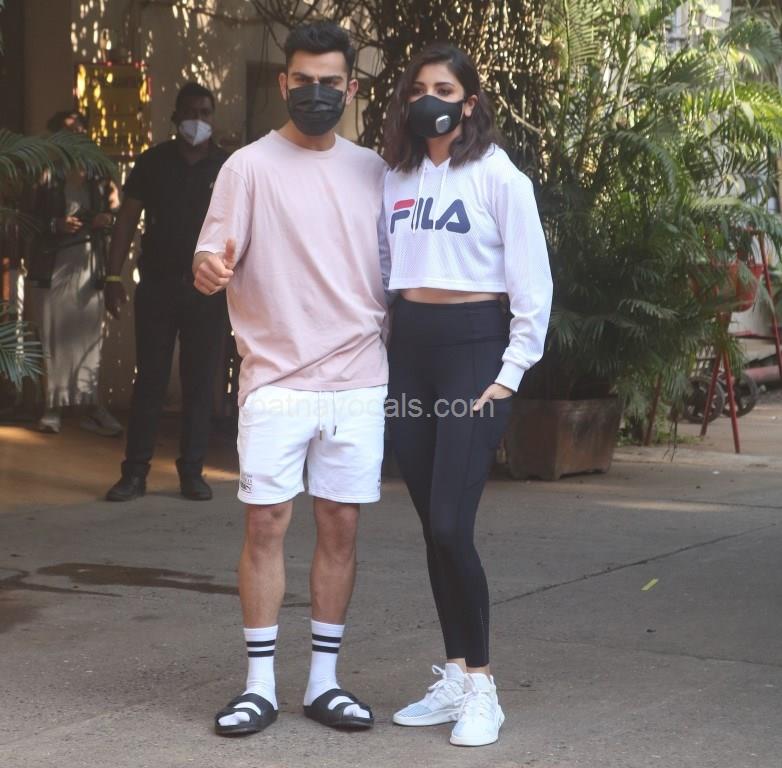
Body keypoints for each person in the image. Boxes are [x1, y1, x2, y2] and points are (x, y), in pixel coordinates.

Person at [192, 22, 388, 735]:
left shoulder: (375, 170)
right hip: (275, 379)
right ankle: (259, 687)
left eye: (330, 82)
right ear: (283, 83)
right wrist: (209, 268)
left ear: (351, 88)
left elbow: (397, 268)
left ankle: (324, 683)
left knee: (340, 525)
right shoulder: (246, 167)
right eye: (302, 80)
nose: (315, 93)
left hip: (358, 378)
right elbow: (209, 254)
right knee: (266, 523)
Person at [382, 43, 553, 747]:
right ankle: (454, 674)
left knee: (452, 524)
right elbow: (383, 267)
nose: (431, 99)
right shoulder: (394, 176)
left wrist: (510, 372)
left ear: (469, 102)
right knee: (433, 525)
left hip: (473, 352)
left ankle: (482, 686)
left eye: (445, 89)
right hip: (409, 353)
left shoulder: (498, 175)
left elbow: (533, 283)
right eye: (419, 87)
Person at [104, 82, 229, 502]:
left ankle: (192, 472)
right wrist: (112, 276)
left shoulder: (227, 168)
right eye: (191, 112)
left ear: (213, 118)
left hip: (207, 291)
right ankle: (134, 473)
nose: (198, 119)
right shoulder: (153, 162)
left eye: (205, 112)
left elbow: (247, 225)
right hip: (157, 287)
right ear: (176, 117)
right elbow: (127, 219)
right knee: (150, 381)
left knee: (199, 383)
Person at [27, 110, 123, 437]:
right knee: (53, 335)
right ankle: (52, 408)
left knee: (88, 338)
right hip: (53, 266)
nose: (76, 136)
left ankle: (92, 407)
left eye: (80, 130)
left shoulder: (100, 174)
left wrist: (104, 219)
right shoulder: (44, 174)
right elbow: (25, 220)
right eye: (68, 131)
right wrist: (56, 224)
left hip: (89, 265)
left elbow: (117, 213)